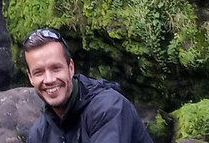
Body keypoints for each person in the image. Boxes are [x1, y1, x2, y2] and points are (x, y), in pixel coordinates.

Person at [23, 28, 153, 143]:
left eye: (56, 68)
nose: (49, 79)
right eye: (39, 72)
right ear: (30, 77)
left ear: (71, 68)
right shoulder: (39, 134)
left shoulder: (109, 108)